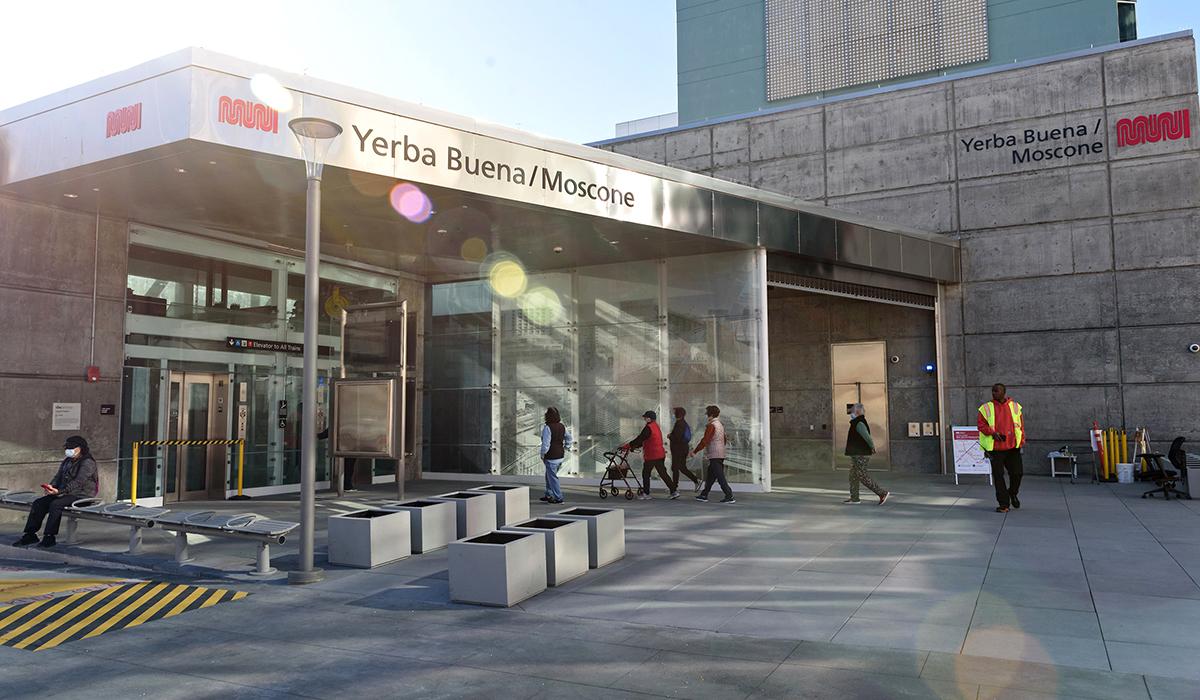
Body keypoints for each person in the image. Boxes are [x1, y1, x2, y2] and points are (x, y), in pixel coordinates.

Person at [13, 435, 98, 548]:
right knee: (39, 503)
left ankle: (49, 536)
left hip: (81, 495)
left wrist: (59, 491)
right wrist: (51, 487)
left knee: (56, 504)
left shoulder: (88, 462)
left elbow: (79, 482)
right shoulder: (67, 461)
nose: (69, 450)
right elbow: (58, 476)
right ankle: (30, 534)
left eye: (72, 448)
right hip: (65, 493)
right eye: (67, 447)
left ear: (81, 448)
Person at [978, 383, 1025, 513]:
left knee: (1017, 474)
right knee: (998, 477)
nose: (994, 393)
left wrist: (1021, 441)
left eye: (996, 391)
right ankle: (1003, 504)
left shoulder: (1015, 407)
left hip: (1012, 447)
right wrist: (992, 433)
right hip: (995, 448)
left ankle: (1012, 493)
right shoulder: (985, 408)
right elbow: (981, 425)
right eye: (992, 391)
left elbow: (1021, 426)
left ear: (1004, 392)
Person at [623, 410, 677, 500]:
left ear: (649, 418)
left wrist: (629, 446)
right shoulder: (656, 426)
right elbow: (648, 440)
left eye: (645, 417)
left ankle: (646, 493)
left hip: (652, 455)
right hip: (660, 454)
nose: (644, 419)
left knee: (646, 473)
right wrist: (634, 446)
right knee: (663, 473)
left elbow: (640, 438)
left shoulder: (648, 428)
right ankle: (674, 491)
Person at [843, 403, 890, 505]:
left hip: (861, 453)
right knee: (853, 476)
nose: (850, 413)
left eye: (852, 411)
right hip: (856, 453)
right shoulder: (856, 422)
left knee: (862, 476)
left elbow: (867, 437)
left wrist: (872, 447)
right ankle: (855, 498)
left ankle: (882, 493)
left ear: (857, 411)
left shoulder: (859, 423)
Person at [692, 405, 735, 504]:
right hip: (720, 453)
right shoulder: (720, 424)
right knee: (711, 476)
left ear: (710, 415)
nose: (706, 416)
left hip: (714, 454)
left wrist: (695, 451)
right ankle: (704, 494)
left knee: (720, 476)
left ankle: (729, 495)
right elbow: (724, 439)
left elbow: (705, 440)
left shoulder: (711, 425)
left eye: (707, 414)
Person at [539, 407, 572, 504]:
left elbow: (546, 444)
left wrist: (542, 454)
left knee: (552, 478)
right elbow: (569, 438)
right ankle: (548, 494)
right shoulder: (562, 426)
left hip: (551, 456)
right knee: (549, 476)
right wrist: (567, 446)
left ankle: (558, 498)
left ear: (547, 416)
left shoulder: (547, 428)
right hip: (560, 455)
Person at [668, 407, 701, 492]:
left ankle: (674, 488)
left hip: (678, 450)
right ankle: (696, 480)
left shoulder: (679, 424)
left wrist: (670, 436)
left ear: (678, 414)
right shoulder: (682, 423)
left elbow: (677, 438)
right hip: (682, 449)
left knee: (675, 468)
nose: (673, 414)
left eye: (675, 412)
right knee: (681, 468)